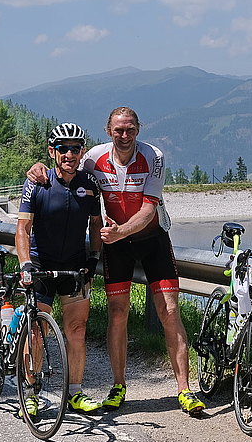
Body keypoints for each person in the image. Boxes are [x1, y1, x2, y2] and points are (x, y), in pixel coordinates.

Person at [28, 107, 205, 416]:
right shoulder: (93, 157)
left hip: (152, 239)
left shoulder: (153, 156)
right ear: (109, 131)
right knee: (118, 312)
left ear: (139, 129)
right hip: (116, 245)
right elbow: (65, 164)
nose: (125, 135)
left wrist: (121, 231)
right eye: (119, 130)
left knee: (169, 311)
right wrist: (37, 167)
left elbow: (149, 209)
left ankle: (184, 390)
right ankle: (119, 385)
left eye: (130, 130)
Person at [16, 122, 104, 416]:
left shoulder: (90, 184)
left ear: (82, 152)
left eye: (75, 149)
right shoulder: (37, 182)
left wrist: (93, 259)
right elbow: (23, 228)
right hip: (41, 265)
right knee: (37, 330)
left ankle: (75, 393)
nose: (69, 154)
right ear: (52, 151)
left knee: (77, 331)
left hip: (75, 266)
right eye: (62, 148)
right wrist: (25, 264)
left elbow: (96, 223)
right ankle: (31, 392)